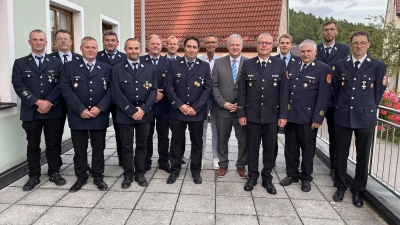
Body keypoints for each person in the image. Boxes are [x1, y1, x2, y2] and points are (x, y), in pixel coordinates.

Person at [332, 31, 386, 208]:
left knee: (363, 156)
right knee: (341, 154)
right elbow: (336, 90)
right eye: (355, 43)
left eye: (363, 43)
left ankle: (358, 191)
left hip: (365, 117)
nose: (359, 46)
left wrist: (367, 107)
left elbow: (378, 92)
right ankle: (340, 186)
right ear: (350, 45)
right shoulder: (340, 65)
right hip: (343, 115)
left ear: (368, 45)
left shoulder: (378, 65)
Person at [12, 29, 66, 191]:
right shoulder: (20, 63)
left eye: (41, 39)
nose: (38, 42)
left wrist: (48, 102)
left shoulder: (56, 63)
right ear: (29, 42)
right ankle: (34, 175)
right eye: (34, 40)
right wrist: (37, 102)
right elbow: (18, 85)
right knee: (33, 144)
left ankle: (54, 172)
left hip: (53, 110)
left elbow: (61, 85)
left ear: (46, 42)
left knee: (53, 143)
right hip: (31, 112)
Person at [237, 33, 287, 194]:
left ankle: (267, 178)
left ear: (273, 46)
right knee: (252, 147)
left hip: (272, 115)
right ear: (256, 45)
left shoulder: (279, 65)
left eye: (267, 43)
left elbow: (284, 92)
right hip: (252, 114)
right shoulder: (248, 64)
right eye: (261, 43)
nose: (264, 45)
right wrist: (241, 113)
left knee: (270, 148)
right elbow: (242, 91)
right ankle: (252, 176)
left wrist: (283, 115)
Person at [60, 36, 112, 193]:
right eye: (87, 47)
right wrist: (80, 109)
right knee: (79, 149)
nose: (91, 50)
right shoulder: (69, 67)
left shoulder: (106, 68)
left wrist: (100, 108)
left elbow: (111, 91)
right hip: (78, 115)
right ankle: (81, 177)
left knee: (99, 148)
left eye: (94, 47)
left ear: (97, 49)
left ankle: (98, 176)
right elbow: (65, 89)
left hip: (99, 115)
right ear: (81, 49)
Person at [280, 39, 331, 192]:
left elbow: (324, 96)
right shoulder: (293, 65)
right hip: (291, 115)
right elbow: (286, 91)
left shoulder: (323, 69)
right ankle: (292, 174)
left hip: (308, 118)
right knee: (290, 147)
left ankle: (306, 177)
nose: (305, 54)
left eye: (309, 51)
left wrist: (318, 117)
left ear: (315, 52)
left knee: (308, 149)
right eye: (303, 51)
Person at [164, 36, 212, 184]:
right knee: (177, 142)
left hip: (196, 112)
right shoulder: (174, 64)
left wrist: (196, 108)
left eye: (194, 47)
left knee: (197, 142)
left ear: (198, 49)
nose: (191, 49)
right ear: (184, 47)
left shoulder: (204, 66)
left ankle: (196, 171)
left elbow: (207, 89)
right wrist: (180, 105)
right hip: (178, 111)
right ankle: (175, 170)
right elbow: (169, 87)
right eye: (189, 46)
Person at [111, 38, 157, 188]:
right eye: (130, 49)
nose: (134, 51)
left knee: (142, 145)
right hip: (125, 115)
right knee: (126, 146)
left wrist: (143, 109)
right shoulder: (117, 69)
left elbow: (153, 90)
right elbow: (116, 93)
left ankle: (140, 173)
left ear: (140, 50)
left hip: (145, 115)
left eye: (136, 48)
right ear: (125, 50)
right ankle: (128, 174)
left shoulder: (149, 68)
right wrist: (131, 111)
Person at [316, 20, 350, 179]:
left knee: (335, 136)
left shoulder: (344, 50)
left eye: (331, 30)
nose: (328, 32)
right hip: (315, 99)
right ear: (322, 32)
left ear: (336, 32)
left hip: (335, 101)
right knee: (308, 136)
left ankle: (335, 168)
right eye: (326, 30)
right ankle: (305, 166)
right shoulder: (315, 49)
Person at [212, 34, 248, 178]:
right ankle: (223, 165)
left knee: (243, 140)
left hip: (241, 111)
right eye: (232, 45)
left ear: (242, 46)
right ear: (227, 46)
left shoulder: (248, 63)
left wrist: (241, 105)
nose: (235, 47)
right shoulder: (219, 63)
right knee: (222, 139)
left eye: (237, 45)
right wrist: (223, 103)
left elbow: (251, 88)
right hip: (222, 109)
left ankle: (241, 166)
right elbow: (213, 86)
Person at [49, 29, 84, 170]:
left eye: (66, 38)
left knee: (79, 136)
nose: (63, 41)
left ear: (71, 41)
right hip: (56, 103)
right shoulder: (48, 59)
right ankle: (55, 166)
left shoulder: (79, 59)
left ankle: (81, 163)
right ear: (55, 42)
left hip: (76, 104)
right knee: (54, 136)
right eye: (60, 38)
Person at [140, 34, 172, 173]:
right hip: (147, 105)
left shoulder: (169, 62)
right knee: (147, 135)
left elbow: (171, 82)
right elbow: (137, 81)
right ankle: (146, 162)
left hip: (163, 104)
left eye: (157, 44)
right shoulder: (140, 61)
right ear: (148, 45)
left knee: (163, 136)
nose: (155, 46)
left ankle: (164, 161)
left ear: (161, 46)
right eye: (152, 44)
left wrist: (162, 92)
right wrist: (152, 94)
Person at [96, 30, 127, 166]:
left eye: (113, 40)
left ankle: (122, 158)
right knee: (100, 132)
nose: (110, 42)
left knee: (121, 131)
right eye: (107, 40)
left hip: (118, 101)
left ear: (117, 43)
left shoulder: (124, 57)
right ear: (103, 42)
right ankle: (99, 161)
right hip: (101, 100)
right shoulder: (96, 56)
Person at [274, 33, 301, 164]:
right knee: (272, 138)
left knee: (291, 139)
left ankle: (291, 166)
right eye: (282, 43)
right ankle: (271, 162)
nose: (284, 45)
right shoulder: (272, 60)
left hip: (293, 105)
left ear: (292, 45)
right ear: (278, 44)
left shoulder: (299, 61)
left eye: (287, 43)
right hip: (274, 104)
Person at [198, 34, 220, 169]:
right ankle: (200, 156)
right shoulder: (199, 60)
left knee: (216, 129)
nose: (211, 45)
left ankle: (216, 157)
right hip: (202, 98)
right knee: (202, 129)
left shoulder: (222, 61)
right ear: (204, 44)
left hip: (216, 99)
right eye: (208, 42)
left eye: (213, 42)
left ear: (217, 44)